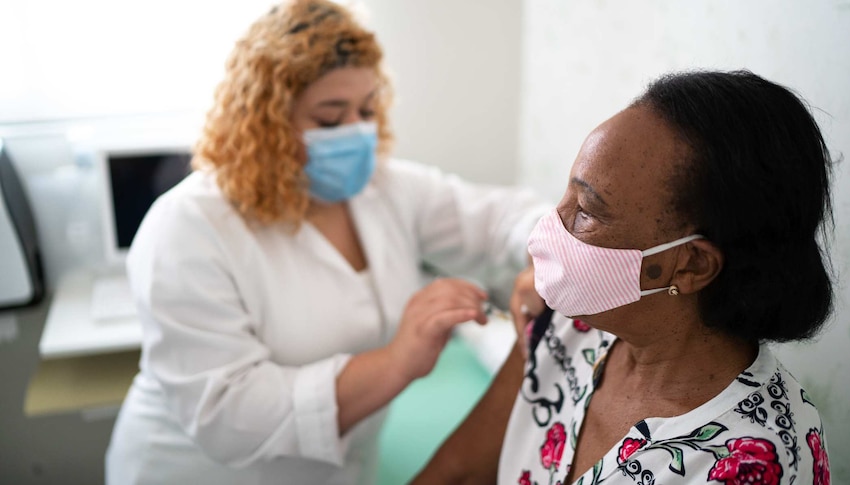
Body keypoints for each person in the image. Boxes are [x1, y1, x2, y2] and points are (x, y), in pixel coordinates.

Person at [104, 1, 550, 483]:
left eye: (366, 110)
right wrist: (397, 361)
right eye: (331, 119)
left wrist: (550, 259)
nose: (357, 133)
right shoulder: (188, 226)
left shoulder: (385, 190)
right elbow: (228, 416)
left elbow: (505, 218)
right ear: (265, 123)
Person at [412, 70, 834, 485]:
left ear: (691, 265)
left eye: (586, 213)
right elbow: (458, 472)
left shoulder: (757, 461)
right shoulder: (570, 323)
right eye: (568, 194)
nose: (551, 227)